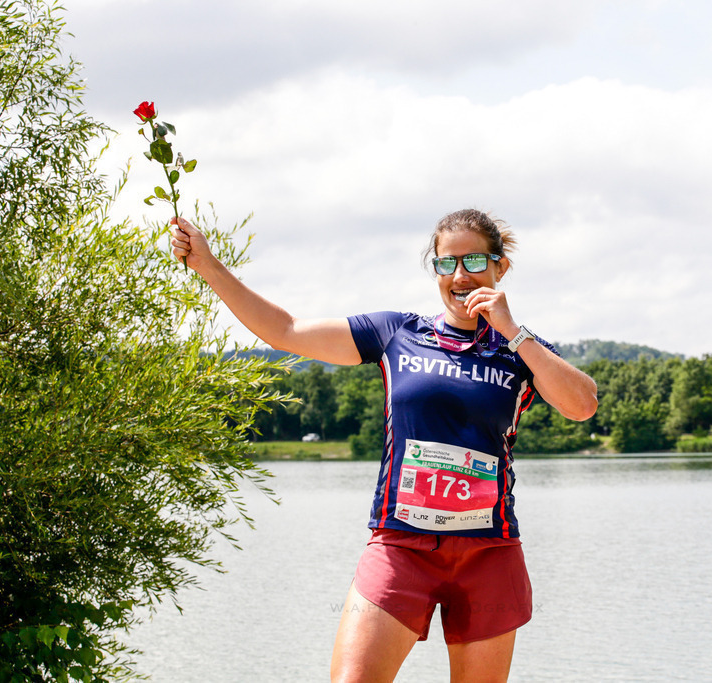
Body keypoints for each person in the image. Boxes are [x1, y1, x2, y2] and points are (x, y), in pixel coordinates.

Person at [170, 209, 598, 682]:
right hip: (400, 548)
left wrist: (512, 331)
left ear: (501, 266)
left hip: (487, 554)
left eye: (475, 261)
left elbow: (582, 405)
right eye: (446, 263)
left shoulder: (518, 352)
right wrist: (208, 265)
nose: (460, 275)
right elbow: (286, 331)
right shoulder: (398, 334)